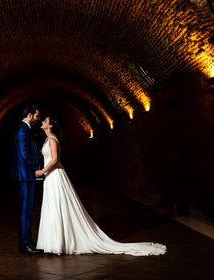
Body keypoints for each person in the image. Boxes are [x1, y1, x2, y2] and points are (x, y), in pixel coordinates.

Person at [35, 116, 167, 256]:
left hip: (55, 176)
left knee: (57, 205)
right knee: (53, 206)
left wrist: (42, 171)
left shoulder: (52, 139)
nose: (43, 121)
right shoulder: (47, 139)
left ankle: (59, 242)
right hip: (50, 176)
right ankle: (55, 241)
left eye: (46, 121)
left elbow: (55, 159)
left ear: (50, 126)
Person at [11, 104, 44, 254]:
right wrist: (36, 166)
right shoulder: (23, 130)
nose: (38, 119)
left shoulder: (26, 130)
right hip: (25, 176)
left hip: (26, 176)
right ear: (29, 115)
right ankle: (25, 244)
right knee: (25, 210)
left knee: (28, 210)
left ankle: (29, 241)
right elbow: (25, 153)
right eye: (37, 116)